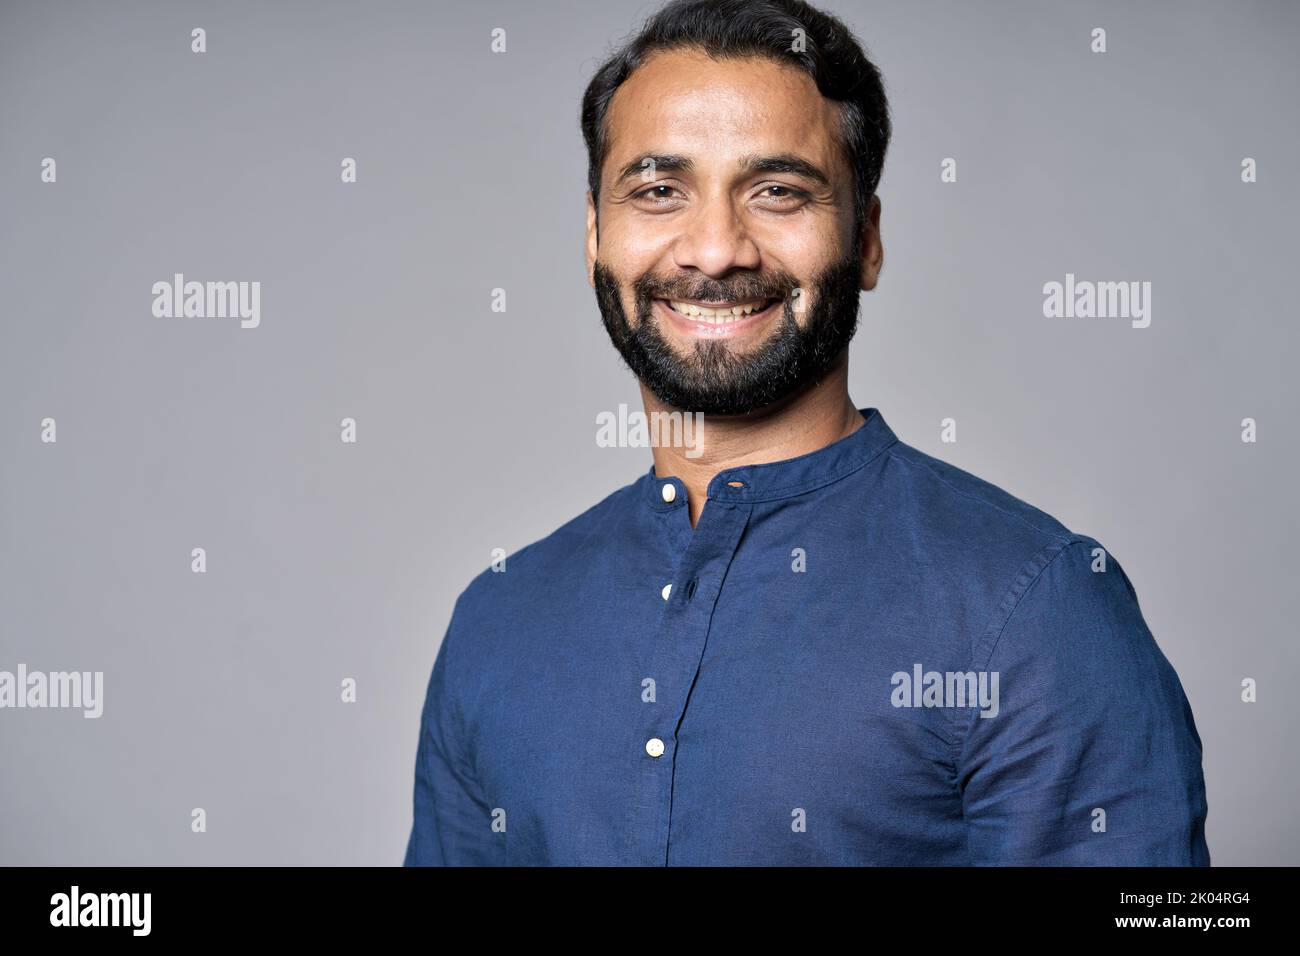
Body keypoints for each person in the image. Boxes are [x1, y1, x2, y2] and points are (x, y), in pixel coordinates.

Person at [403, 0, 1209, 865]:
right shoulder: (498, 621)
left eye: (778, 191)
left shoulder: (1036, 611)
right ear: (597, 233)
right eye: (658, 191)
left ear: (865, 239)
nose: (715, 250)